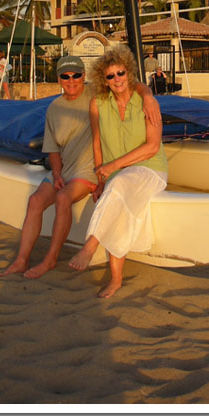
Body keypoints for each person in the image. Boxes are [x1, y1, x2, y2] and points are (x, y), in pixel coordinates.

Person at [0, 54, 161, 280]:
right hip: (66, 169)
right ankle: (21, 260)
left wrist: (149, 96)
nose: (71, 80)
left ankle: (50, 259)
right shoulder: (54, 109)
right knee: (35, 201)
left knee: (63, 198)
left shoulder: (97, 93)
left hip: (89, 171)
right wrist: (55, 174)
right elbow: (53, 150)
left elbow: (128, 82)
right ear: (59, 79)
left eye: (76, 75)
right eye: (65, 76)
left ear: (84, 76)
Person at [69, 45, 168, 298]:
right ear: (104, 80)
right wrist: (102, 179)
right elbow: (97, 142)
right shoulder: (98, 103)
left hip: (150, 169)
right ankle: (116, 279)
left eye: (121, 73)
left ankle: (91, 245)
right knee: (119, 203)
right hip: (117, 177)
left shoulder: (145, 102)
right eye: (111, 76)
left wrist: (112, 168)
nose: (117, 80)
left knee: (121, 184)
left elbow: (152, 147)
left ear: (129, 72)